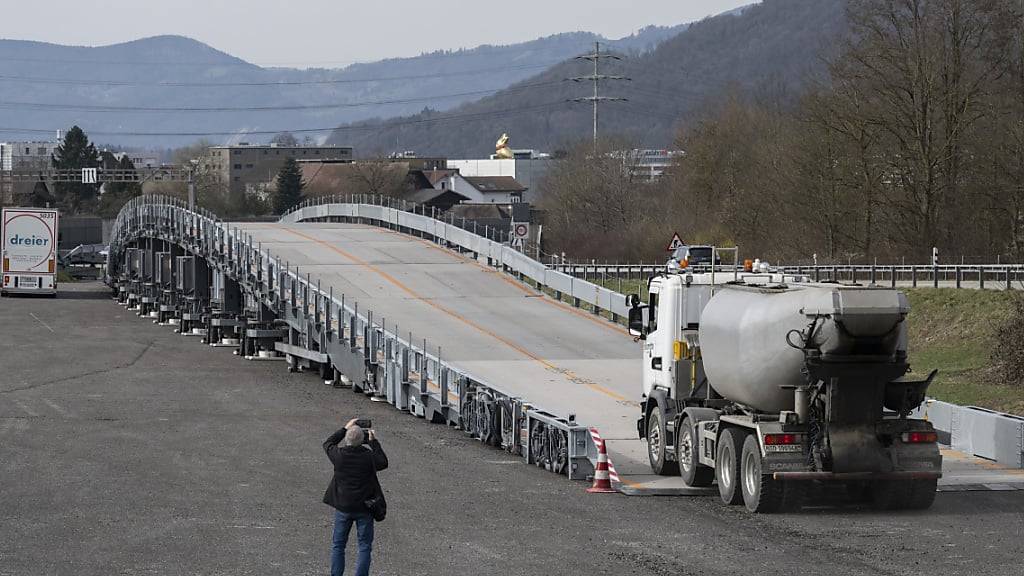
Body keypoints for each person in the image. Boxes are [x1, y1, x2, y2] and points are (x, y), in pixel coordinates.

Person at [323, 418, 388, 576]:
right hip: (365, 507)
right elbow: (383, 462)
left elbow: (328, 443)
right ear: (362, 440)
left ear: (346, 440)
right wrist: (374, 442)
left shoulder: (339, 456)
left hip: (343, 506)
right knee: (364, 546)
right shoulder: (369, 457)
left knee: (338, 545)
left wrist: (345, 427)